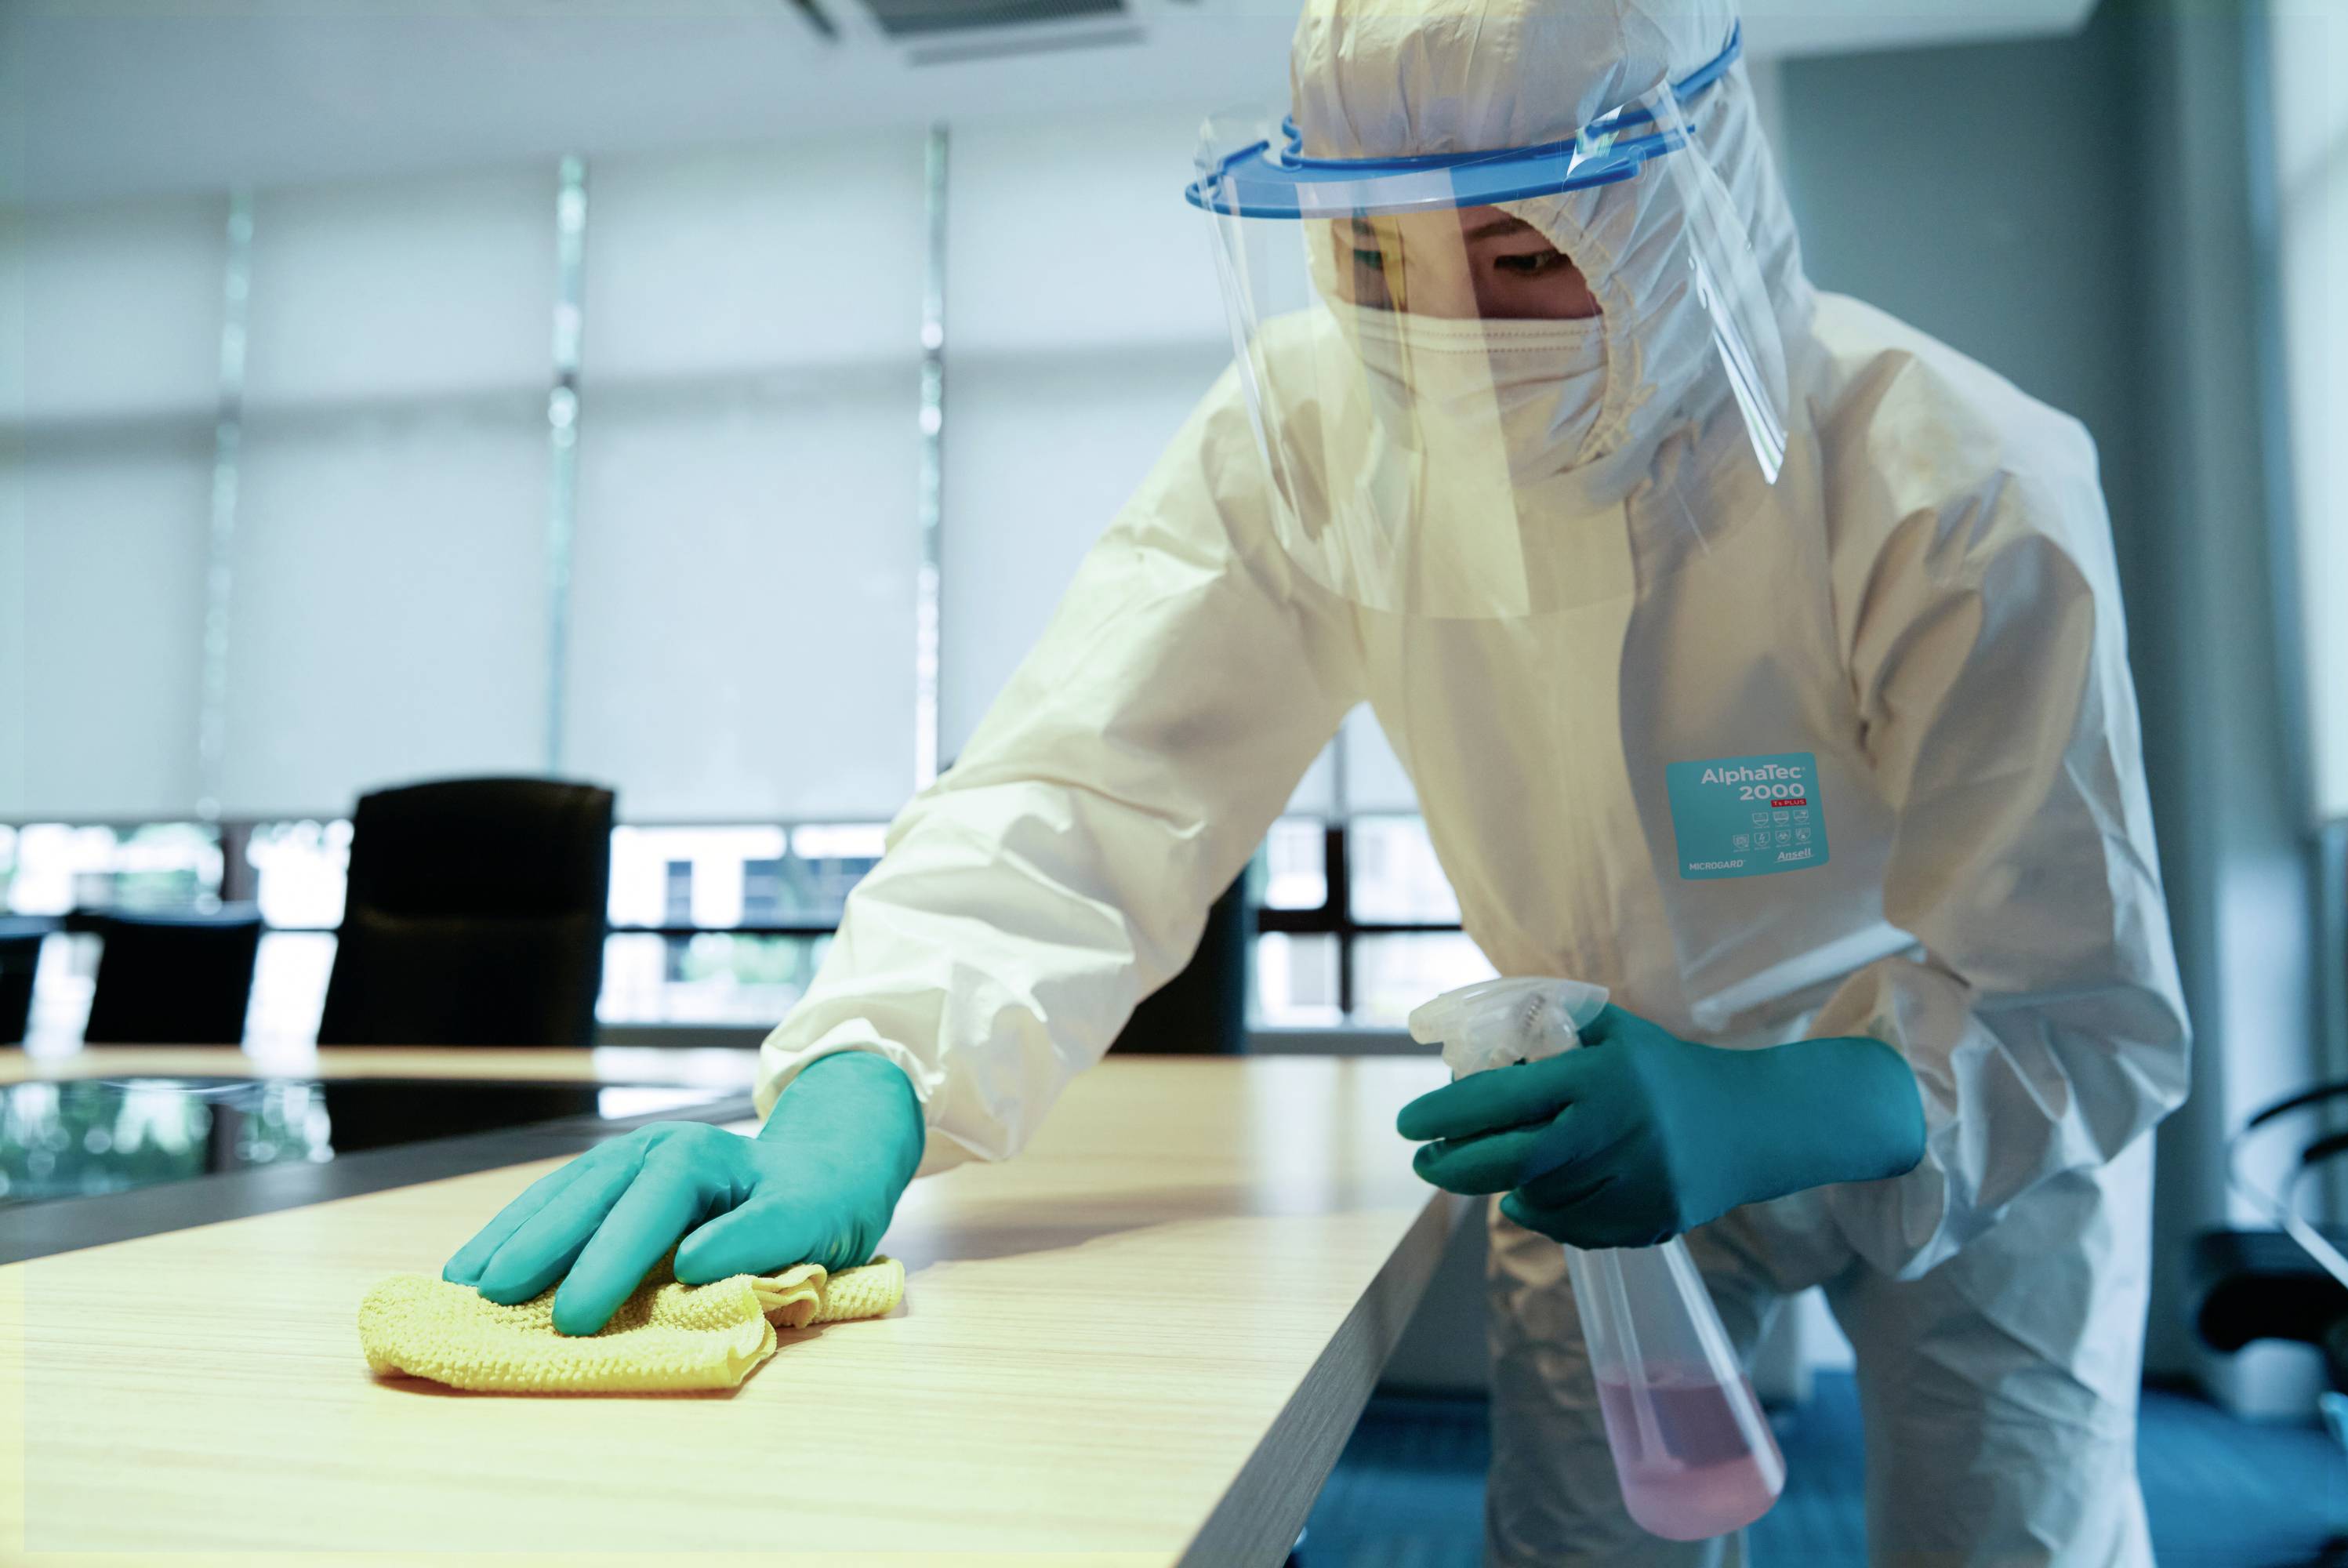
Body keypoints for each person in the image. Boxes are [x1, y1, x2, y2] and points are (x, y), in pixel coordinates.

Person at [445, 2, 2191, 1561]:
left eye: (1521, 256)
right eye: (1373, 263)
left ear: (1692, 205)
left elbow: (2073, 1012)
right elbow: (1082, 785)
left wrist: (1774, 1105)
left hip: (1949, 1106)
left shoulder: (1948, 482)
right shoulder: (1308, 434)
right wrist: (865, 1079)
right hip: (1585, 1110)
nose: (1452, 340)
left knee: (2007, 1535)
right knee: (1596, 1548)